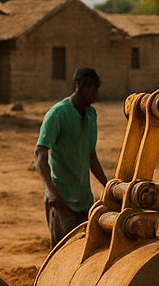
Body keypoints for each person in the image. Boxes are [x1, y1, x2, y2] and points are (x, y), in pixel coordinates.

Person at [35, 67, 110, 246]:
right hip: (62, 201)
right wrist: (52, 192)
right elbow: (40, 154)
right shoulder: (58, 114)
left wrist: (108, 186)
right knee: (61, 255)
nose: (95, 94)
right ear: (80, 86)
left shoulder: (91, 115)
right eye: (92, 88)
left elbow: (91, 156)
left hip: (84, 201)